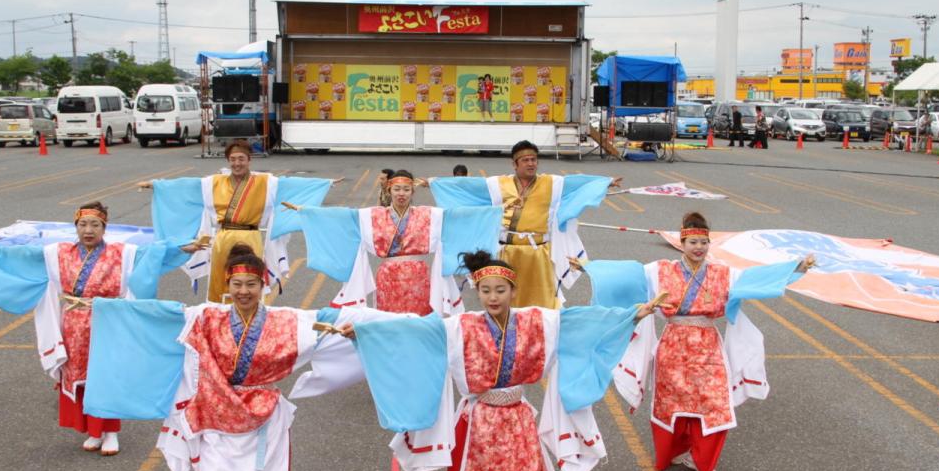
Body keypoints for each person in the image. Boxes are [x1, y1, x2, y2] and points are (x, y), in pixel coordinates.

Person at [339, 250, 645, 471]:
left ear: (513, 290)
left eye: (500, 290)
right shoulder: (460, 326)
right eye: (485, 290)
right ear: (477, 290)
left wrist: (631, 315)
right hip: (478, 421)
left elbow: (580, 322)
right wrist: (365, 333)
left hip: (517, 421)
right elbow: (414, 330)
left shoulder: (537, 321)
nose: (493, 297)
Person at [154, 245, 361, 471]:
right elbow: (162, 313)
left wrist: (358, 328)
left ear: (264, 284)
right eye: (237, 284)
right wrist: (107, 308)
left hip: (264, 414)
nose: (243, 291)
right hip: (219, 411)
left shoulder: (285, 321)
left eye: (251, 284)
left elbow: (328, 319)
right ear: (226, 285)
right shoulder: (207, 316)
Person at [0, 201, 188, 456]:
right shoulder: (58, 253)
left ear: (104, 228)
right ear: (76, 227)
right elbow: (24, 256)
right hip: (73, 323)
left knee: (106, 375)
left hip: (107, 322)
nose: (88, 230)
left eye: (95, 225)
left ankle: (110, 432)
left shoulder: (122, 253)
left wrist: (182, 248)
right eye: (83, 224)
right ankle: (94, 431)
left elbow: (153, 254)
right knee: (79, 375)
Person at [610, 212, 815, 471]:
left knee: (714, 403)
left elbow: (755, 278)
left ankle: (701, 460)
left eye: (703, 242)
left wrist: (796, 268)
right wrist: (588, 267)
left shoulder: (723, 274)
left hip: (708, 347)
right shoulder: (660, 270)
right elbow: (627, 275)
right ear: (682, 243)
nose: (699, 248)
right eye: (693, 242)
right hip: (673, 345)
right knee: (671, 402)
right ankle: (671, 453)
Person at [427, 141, 621, 308]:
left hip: (538, 253)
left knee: (543, 301)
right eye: (525, 160)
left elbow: (577, 183)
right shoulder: (499, 184)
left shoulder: (551, 183)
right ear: (514, 164)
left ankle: (542, 335)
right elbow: (470, 187)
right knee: (505, 301)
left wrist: (604, 183)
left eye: (534, 160)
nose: (531, 163)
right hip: (507, 253)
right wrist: (434, 183)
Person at [138, 139, 336, 302]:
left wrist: (324, 184)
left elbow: (291, 186)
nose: (237, 163)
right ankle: (219, 315)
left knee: (249, 278)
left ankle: (252, 316)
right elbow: (187, 187)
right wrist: (156, 185)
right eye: (232, 159)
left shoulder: (265, 182)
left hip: (250, 238)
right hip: (223, 239)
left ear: (249, 160)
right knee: (221, 280)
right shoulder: (214, 182)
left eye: (241, 159)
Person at [289, 170, 502, 315]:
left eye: (406, 189)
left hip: (419, 277)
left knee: (419, 319)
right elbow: (343, 217)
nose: (401, 194)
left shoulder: (429, 215)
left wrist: (494, 212)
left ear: (412, 192)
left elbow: (459, 216)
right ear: (389, 191)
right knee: (388, 319)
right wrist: (307, 212)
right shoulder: (373, 215)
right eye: (397, 189)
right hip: (388, 277)